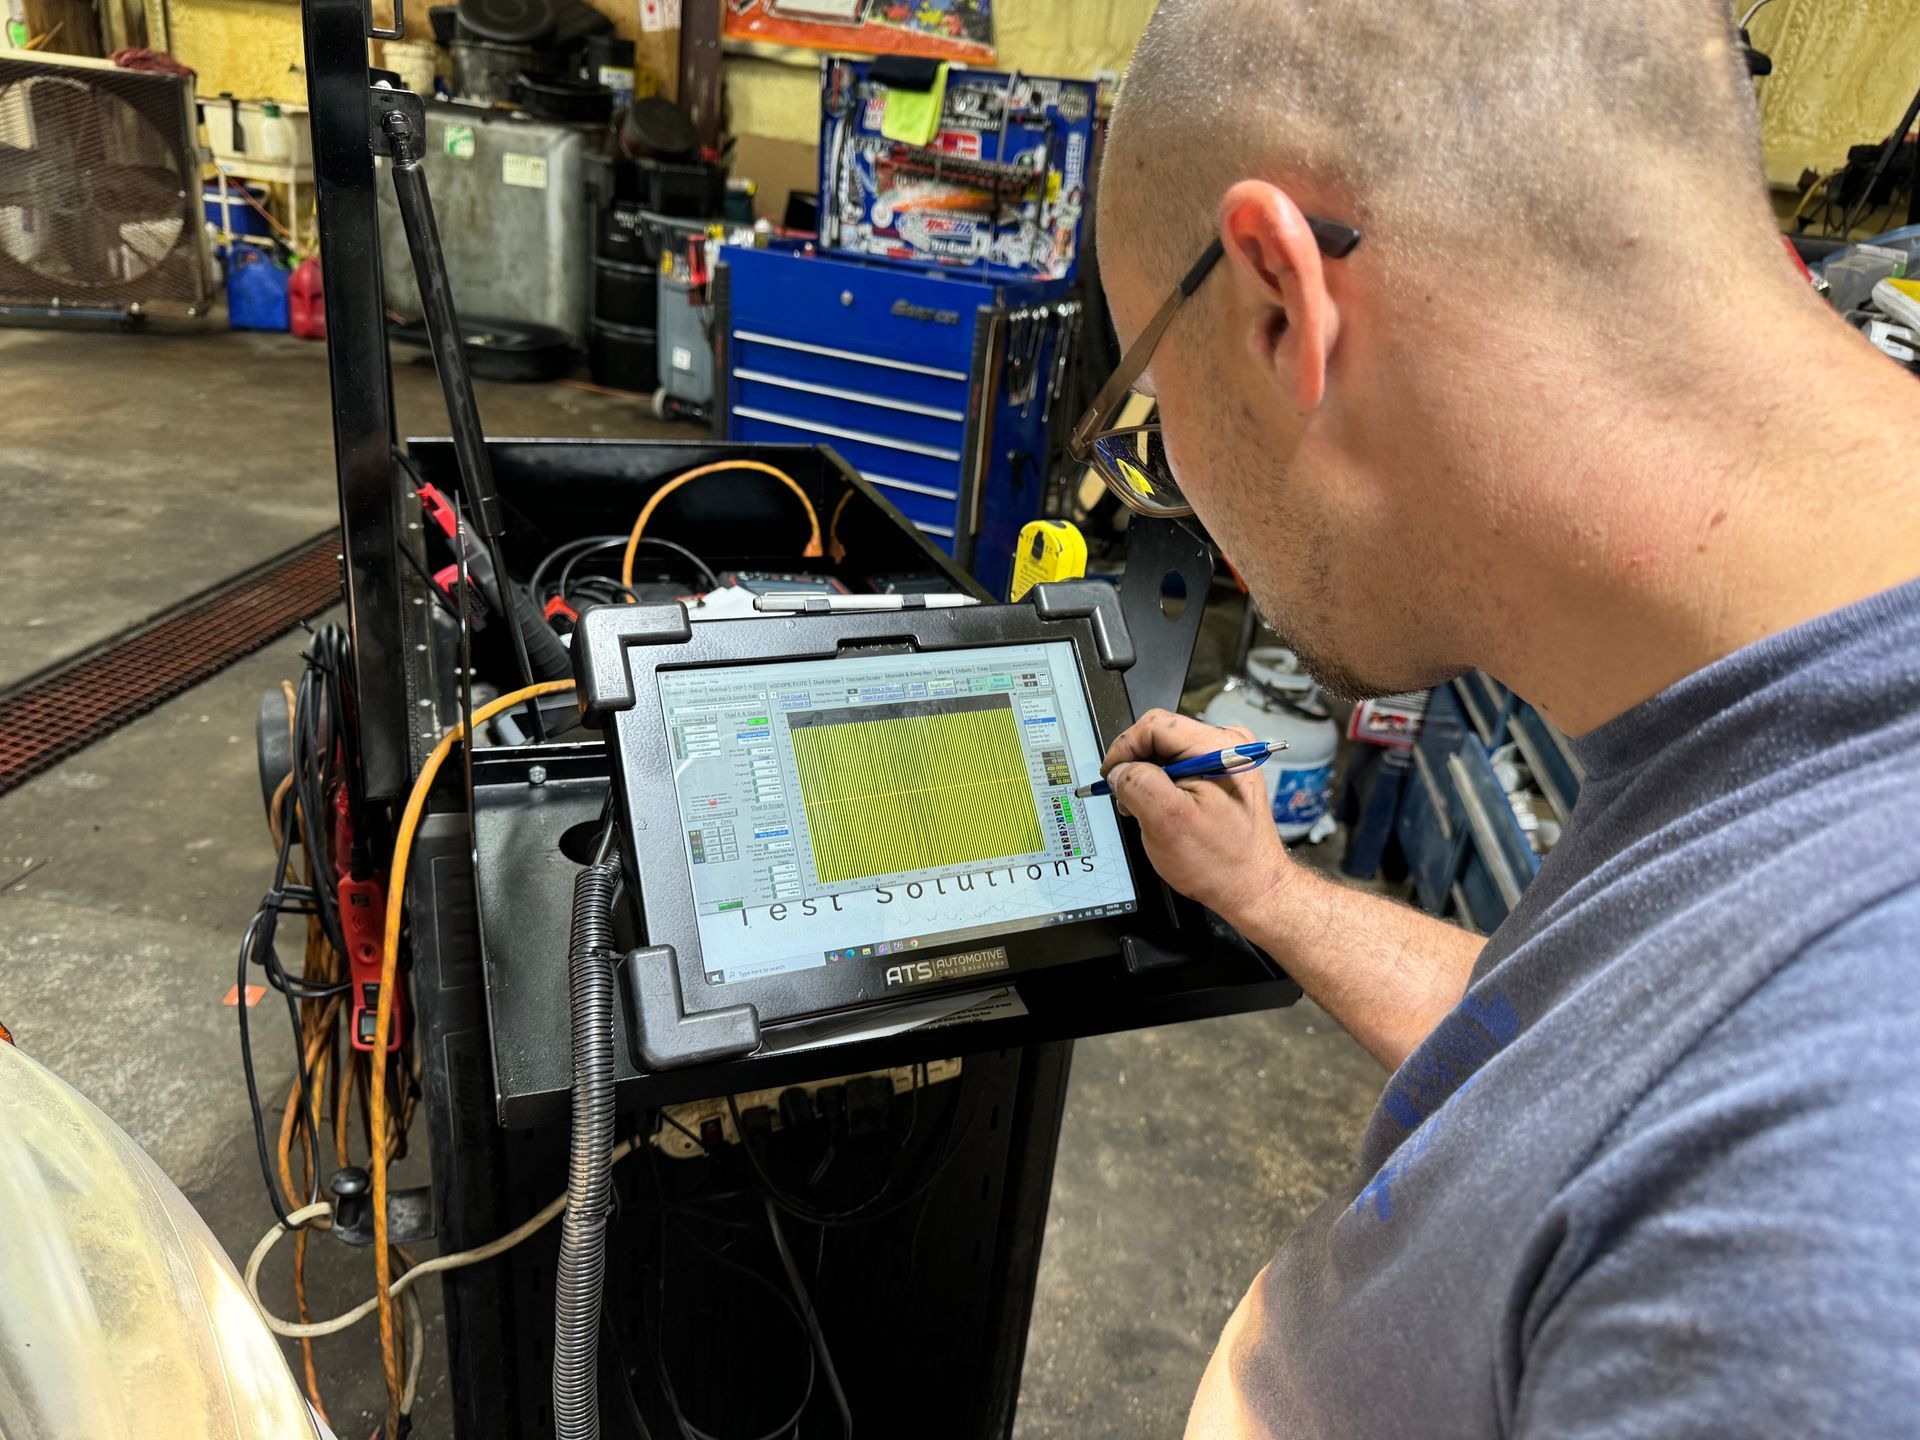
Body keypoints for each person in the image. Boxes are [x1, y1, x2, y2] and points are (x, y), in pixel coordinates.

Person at [1075, 1, 1920, 1435]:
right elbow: (1581, 1055)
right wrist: (1275, 896)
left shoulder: (1828, 1219)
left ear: (1280, 301)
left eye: (1153, 418)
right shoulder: (1776, 713)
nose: (1182, 487)